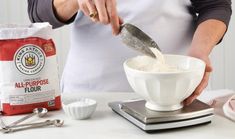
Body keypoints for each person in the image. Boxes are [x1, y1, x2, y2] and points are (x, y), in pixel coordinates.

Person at [27, 0, 232, 105]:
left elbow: (215, 5)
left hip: (176, 92)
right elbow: (38, 11)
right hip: (92, 99)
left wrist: (198, 54)